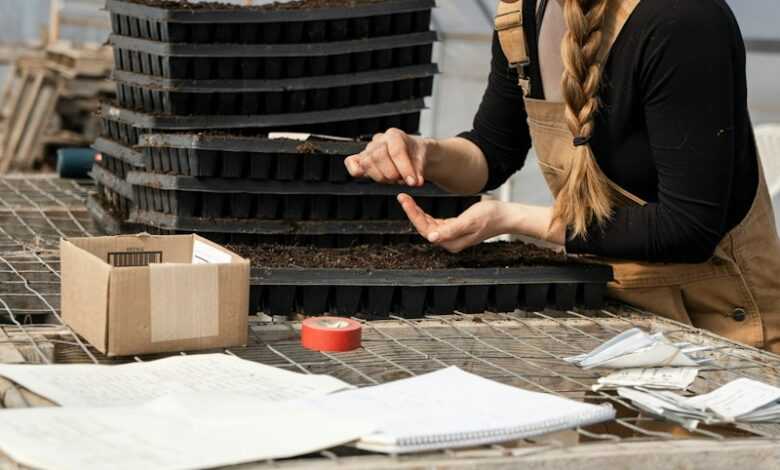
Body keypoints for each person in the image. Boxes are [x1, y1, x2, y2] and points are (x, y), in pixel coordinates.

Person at [344, 0, 780, 352]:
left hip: (723, 331)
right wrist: (426, 153)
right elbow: (491, 152)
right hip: (618, 320)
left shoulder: (681, 21)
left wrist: (509, 219)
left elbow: (686, 228)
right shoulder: (523, 16)